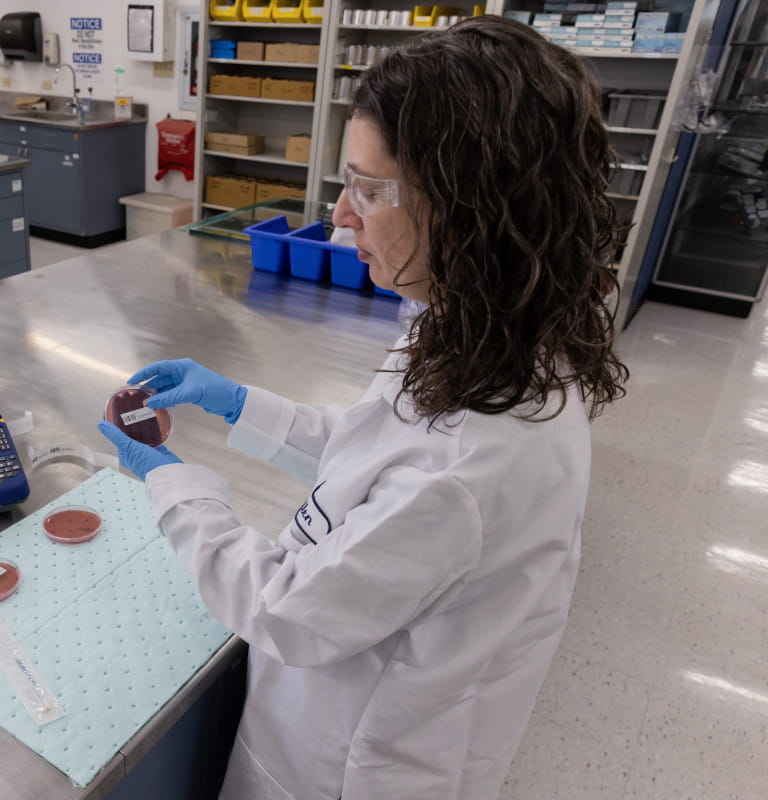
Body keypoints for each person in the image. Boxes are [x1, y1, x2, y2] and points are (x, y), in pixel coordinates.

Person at [97, 15, 629, 800]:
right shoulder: (479, 324)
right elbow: (375, 456)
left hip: (351, 765)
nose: (342, 216)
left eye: (369, 189)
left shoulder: (476, 463)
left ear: (469, 207)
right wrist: (240, 405)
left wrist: (172, 483)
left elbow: (286, 610)